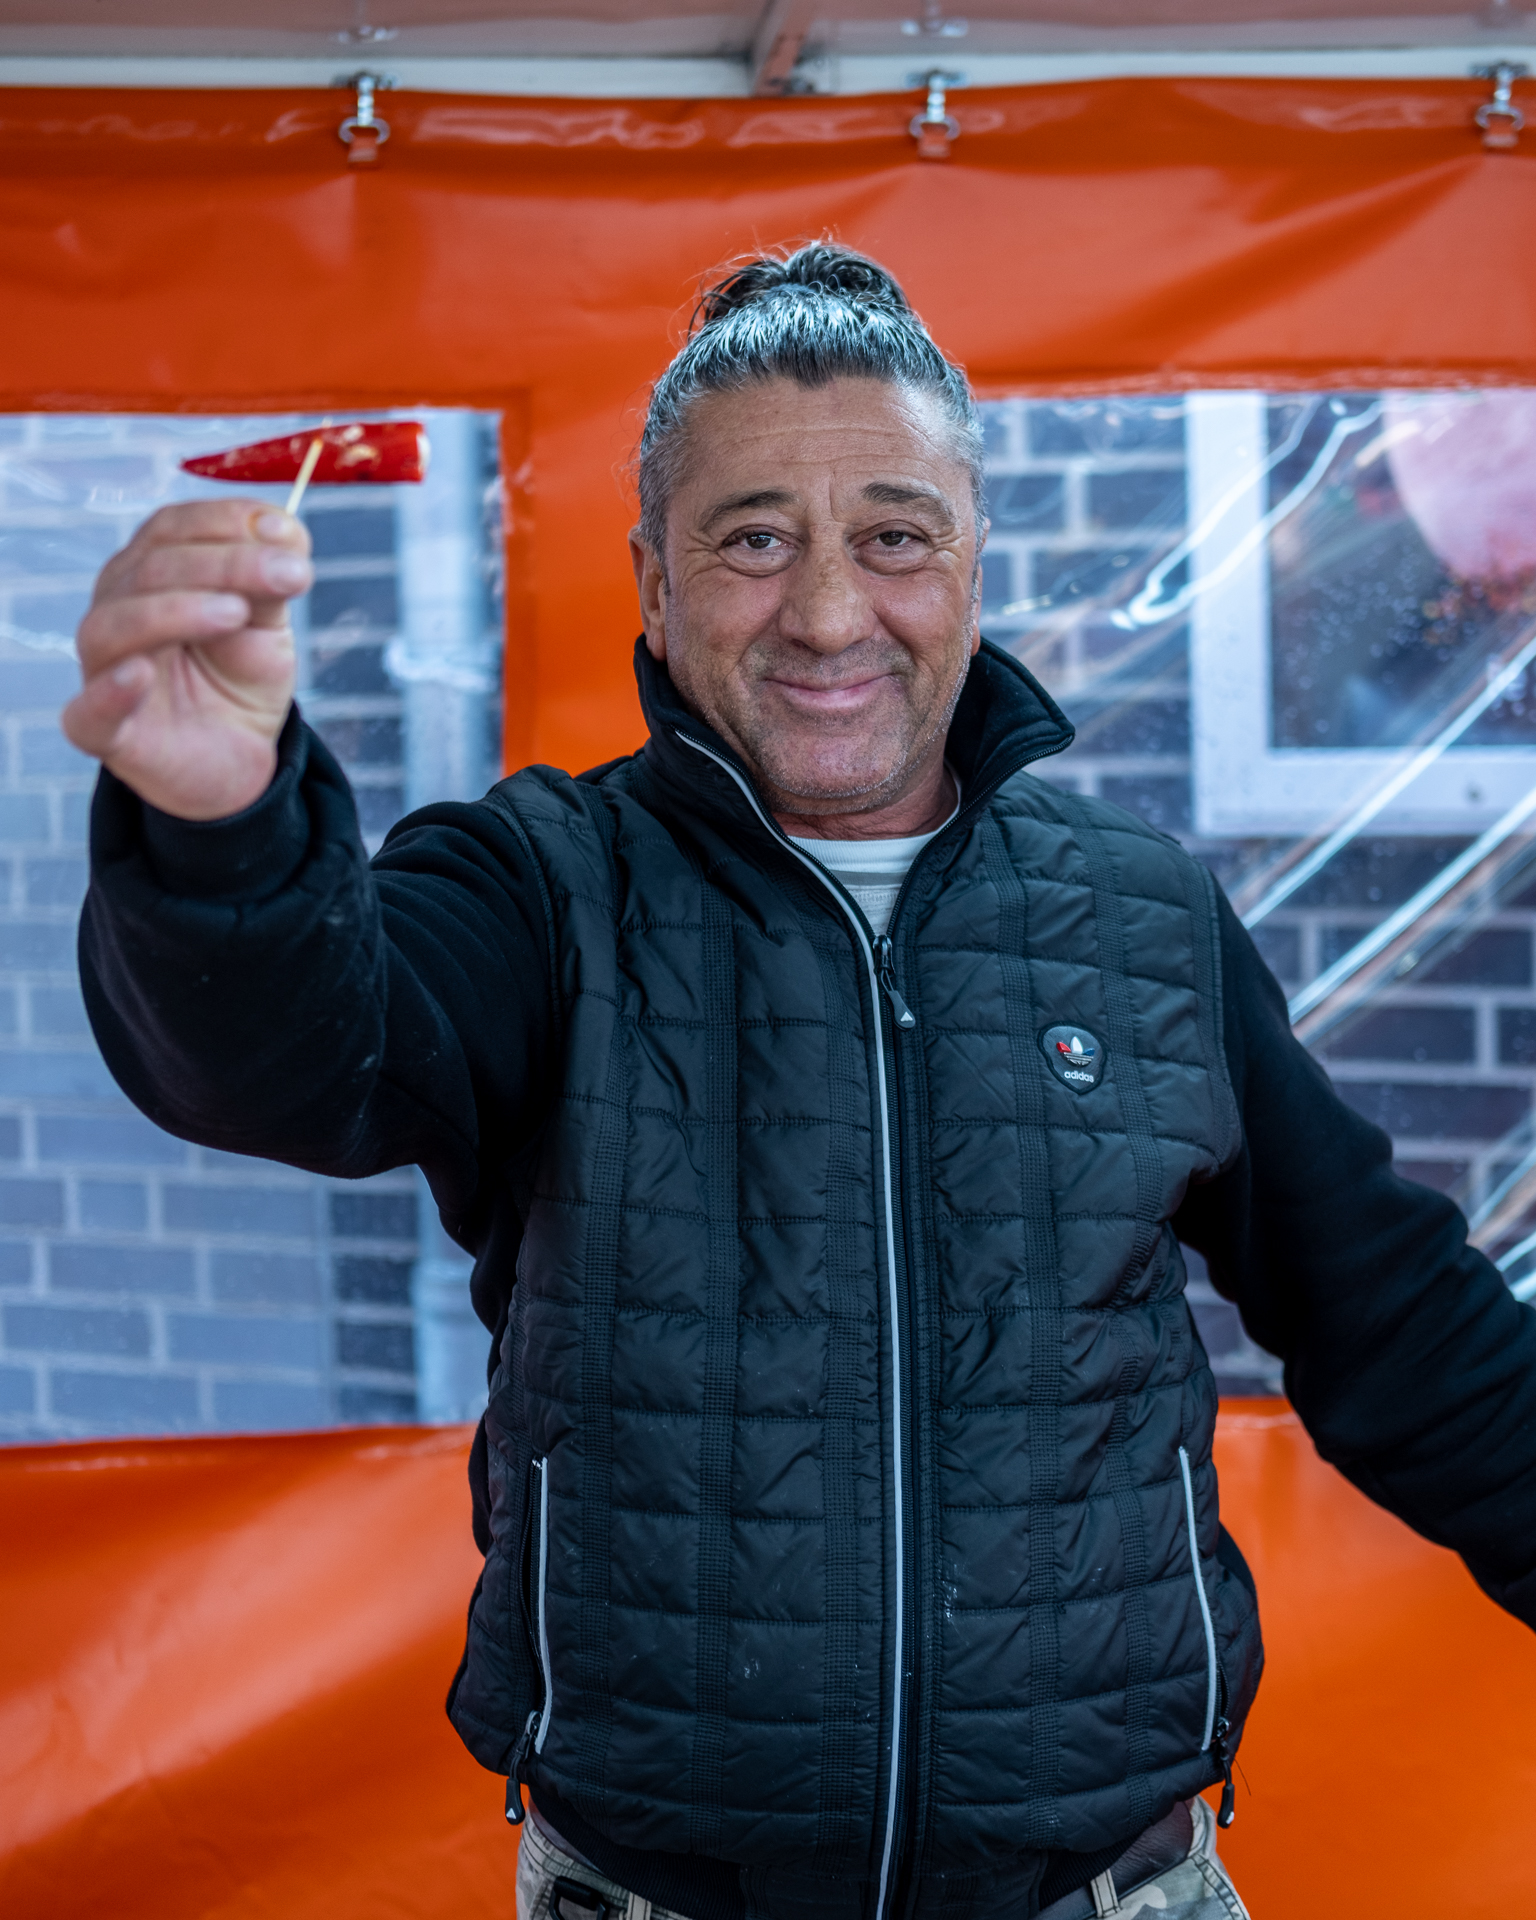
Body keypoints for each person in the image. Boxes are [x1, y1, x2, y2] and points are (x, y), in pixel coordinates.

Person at [66, 244, 1536, 1920]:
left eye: (893, 537)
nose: (831, 614)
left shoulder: (1140, 915)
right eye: (754, 539)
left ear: (972, 559)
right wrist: (219, 832)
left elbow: (1399, 1323)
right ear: (653, 577)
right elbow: (290, 1056)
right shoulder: (539, 885)